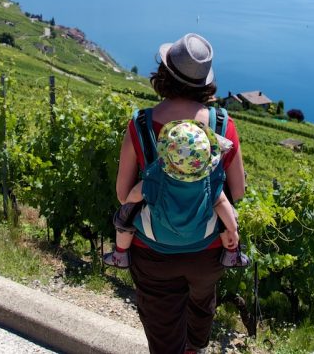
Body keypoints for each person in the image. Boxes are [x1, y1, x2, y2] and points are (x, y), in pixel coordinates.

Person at [114, 33, 247, 354]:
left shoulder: (141, 124)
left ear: (164, 73)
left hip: (153, 249)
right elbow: (238, 192)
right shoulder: (221, 125)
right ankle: (194, 348)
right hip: (209, 248)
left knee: (162, 327)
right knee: (201, 303)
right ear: (204, 82)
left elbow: (122, 194)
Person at [103, 120, 250, 269]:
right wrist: (232, 228)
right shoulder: (208, 180)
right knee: (228, 216)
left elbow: (135, 193)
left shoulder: (157, 174)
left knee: (124, 219)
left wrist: (127, 206)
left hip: (155, 234)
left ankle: (120, 254)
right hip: (200, 234)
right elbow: (222, 202)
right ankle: (231, 253)